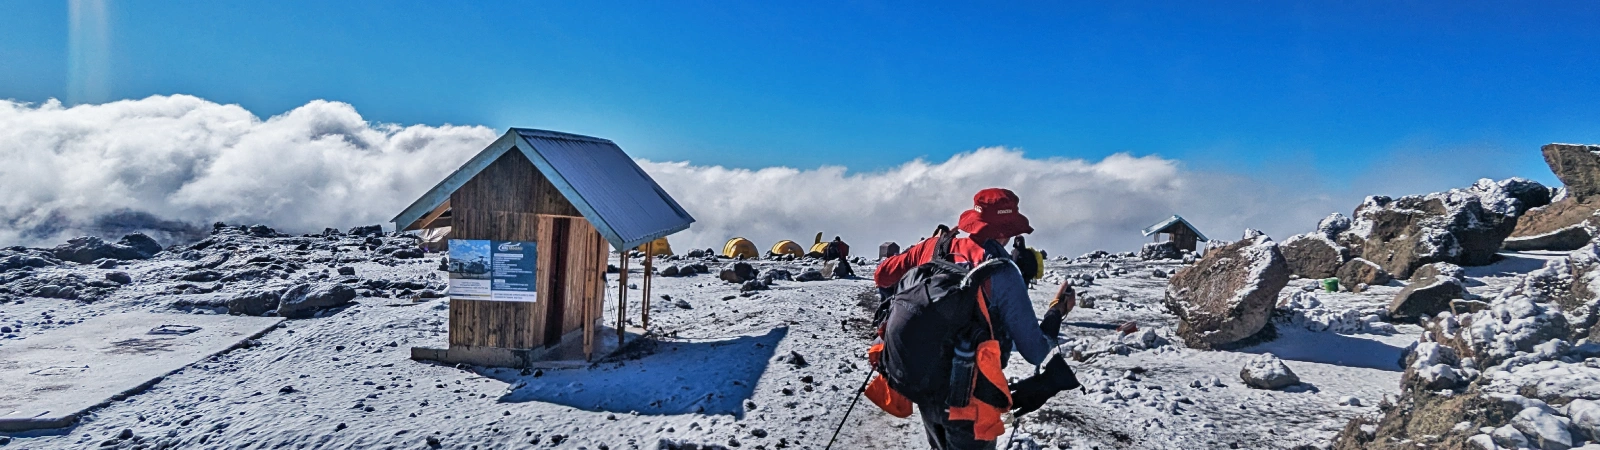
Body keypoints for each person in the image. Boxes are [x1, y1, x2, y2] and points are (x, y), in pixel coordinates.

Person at [871, 188, 1076, 449]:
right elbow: (1035, 351)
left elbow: (881, 276)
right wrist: (1056, 311)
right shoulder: (1002, 273)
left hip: (925, 384)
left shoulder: (933, 247)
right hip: (971, 401)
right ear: (1004, 232)